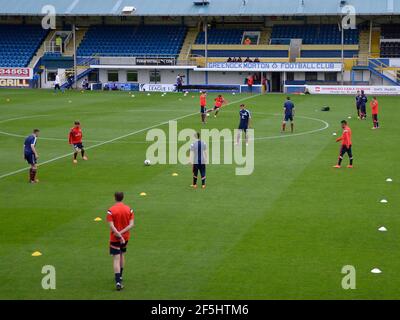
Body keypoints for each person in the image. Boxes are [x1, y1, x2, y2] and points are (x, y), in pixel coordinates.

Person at [106, 192, 135, 291]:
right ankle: (121, 276)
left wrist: (118, 234)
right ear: (123, 198)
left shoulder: (111, 210)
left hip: (114, 238)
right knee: (122, 254)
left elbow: (111, 226)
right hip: (125, 237)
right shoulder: (129, 209)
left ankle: (118, 281)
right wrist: (122, 234)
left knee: (116, 258)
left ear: (115, 198)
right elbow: (131, 225)